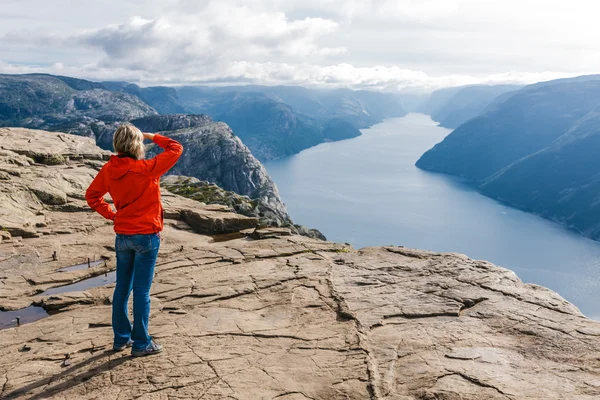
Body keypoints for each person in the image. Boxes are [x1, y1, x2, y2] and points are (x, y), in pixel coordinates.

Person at [85, 123, 183, 357]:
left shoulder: (109, 169)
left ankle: (121, 339)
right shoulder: (147, 168)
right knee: (141, 291)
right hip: (146, 237)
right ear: (136, 144)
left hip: (123, 237)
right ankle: (141, 343)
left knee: (122, 289)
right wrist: (152, 135)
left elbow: (92, 196)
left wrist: (113, 215)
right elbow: (176, 148)